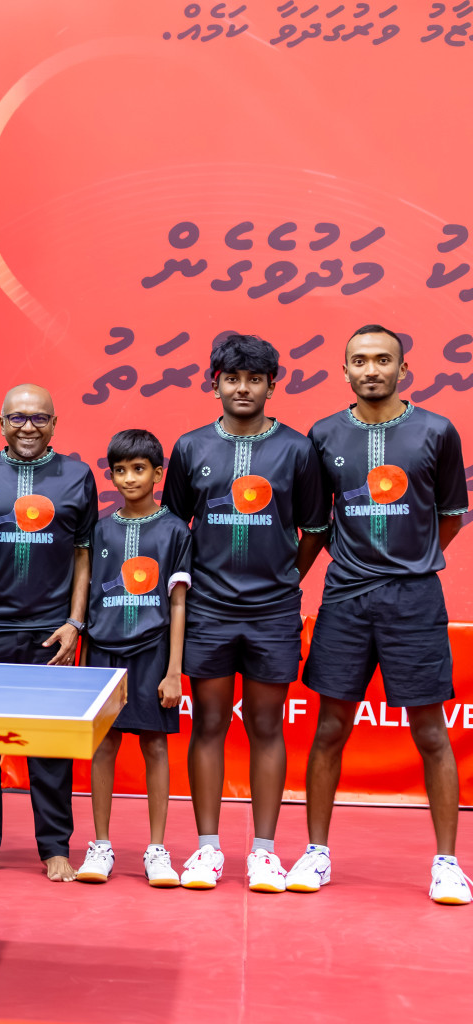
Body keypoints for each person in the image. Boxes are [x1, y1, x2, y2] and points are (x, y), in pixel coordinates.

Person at [286, 325, 470, 905]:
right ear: (345, 372)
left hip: (413, 598)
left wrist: (410, 561)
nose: (372, 369)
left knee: (430, 732)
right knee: (330, 729)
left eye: (383, 360)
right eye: (360, 361)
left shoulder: (437, 431)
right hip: (343, 597)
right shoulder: (322, 434)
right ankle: (316, 853)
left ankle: (447, 863)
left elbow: (449, 517)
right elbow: (316, 520)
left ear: (403, 369)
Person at [162, 334, 329, 892]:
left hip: (272, 610)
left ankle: (263, 852)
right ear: (215, 383)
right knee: (208, 722)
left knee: (265, 725)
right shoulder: (189, 447)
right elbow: (172, 530)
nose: (242, 388)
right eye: (231, 378)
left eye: (254, 379)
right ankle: (207, 850)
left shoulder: (298, 450)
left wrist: (286, 578)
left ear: (270, 385)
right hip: (208, 609)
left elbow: (315, 528)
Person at [0, 384, 96, 883]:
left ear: (55, 424)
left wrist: (74, 622)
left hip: (49, 633)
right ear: (1, 423)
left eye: (39, 419)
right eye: (17, 418)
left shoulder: (78, 476)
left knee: (50, 747)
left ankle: (55, 848)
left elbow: (83, 554)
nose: (28, 427)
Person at [76, 429, 191, 887]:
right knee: (103, 745)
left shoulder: (176, 530)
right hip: (103, 650)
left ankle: (157, 850)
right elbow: (85, 594)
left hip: (153, 650)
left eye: (138, 469)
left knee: (155, 745)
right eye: (119, 470)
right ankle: (100, 845)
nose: (128, 478)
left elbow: (179, 602)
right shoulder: (100, 528)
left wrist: (174, 671)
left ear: (158, 474)